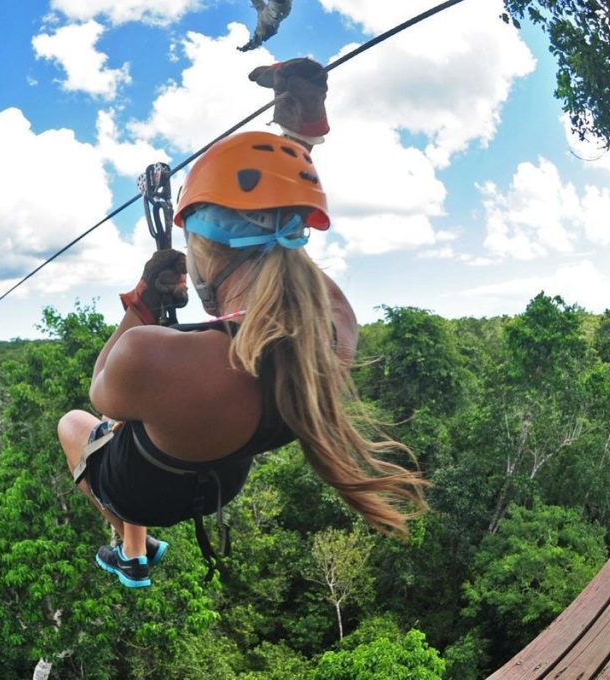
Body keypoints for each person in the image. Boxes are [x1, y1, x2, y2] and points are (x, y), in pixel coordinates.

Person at [59, 60, 428, 589]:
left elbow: (103, 389)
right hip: (217, 484)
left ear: (207, 247)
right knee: (134, 421)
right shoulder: (331, 335)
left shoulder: (154, 357)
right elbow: (284, 241)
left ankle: (129, 543)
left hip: (141, 492)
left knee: (77, 423)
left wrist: (140, 303)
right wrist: (298, 140)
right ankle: (134, 549)